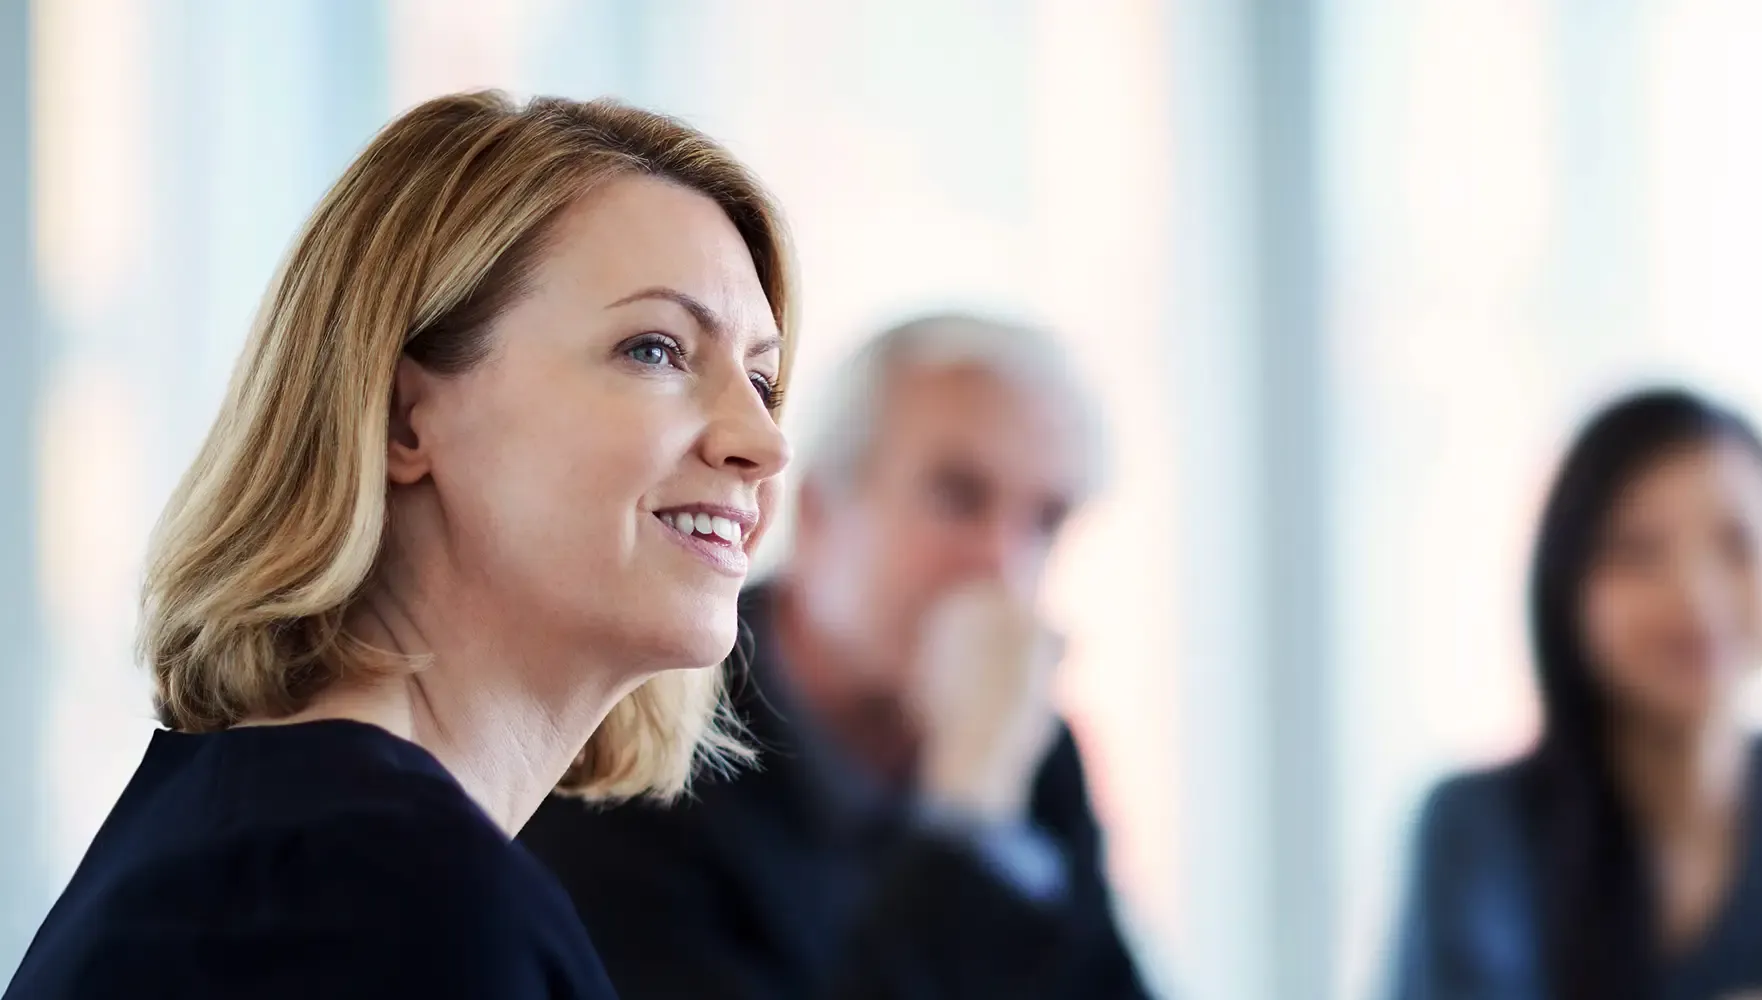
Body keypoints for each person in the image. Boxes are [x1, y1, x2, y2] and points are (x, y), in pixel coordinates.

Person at [4, 91, 794, 999]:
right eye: (655, 349)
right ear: (404, 416)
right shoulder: (387, 895)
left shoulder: (283, 843)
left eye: (764, 383)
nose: (764, 443)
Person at [520, 313, 1151, 999]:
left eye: (1045, 521)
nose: (1004, 568)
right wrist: (966, 812)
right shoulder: (642, 751)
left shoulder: (1032, 751)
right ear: (819, 510)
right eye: (957, 497)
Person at [1391, 388, 1762, 1000]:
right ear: (1568, 582)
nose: (1693, 593)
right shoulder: (1479, 827)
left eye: (1736, 543)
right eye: (1637, 551)